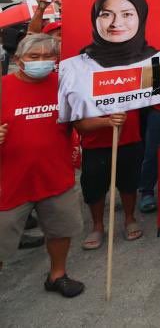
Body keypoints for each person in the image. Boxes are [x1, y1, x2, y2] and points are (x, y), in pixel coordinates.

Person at [0, 34, 85, 297]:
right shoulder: (3, 87)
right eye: (34, 57)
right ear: (18, 60)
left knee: (60, 231)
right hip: (9, 183)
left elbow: (79, 122)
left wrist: (109, 120)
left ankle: (57, 275)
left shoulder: (63, 85)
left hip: (55, 176)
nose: (42, 61)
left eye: (48, 57)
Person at [58, 0, 160, 121]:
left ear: (141, 17)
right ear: (95, 18)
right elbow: (67, 116)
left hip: (136, 138)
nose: (116, 23)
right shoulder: (72, 67)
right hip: (93, 140)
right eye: (106, 14)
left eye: (127, 14)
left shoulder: (157, 60)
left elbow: (153, 98)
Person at [74, 105, 143, 251]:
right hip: (94, 142)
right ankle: (97, 226)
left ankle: (130, 218)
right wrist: (106, 122)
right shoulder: (81, 81)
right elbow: (77, 121)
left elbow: (154, 88)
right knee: (93, 185)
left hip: (129, 137)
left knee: (129, 181)